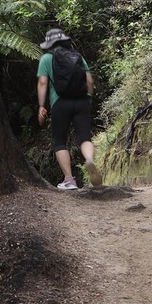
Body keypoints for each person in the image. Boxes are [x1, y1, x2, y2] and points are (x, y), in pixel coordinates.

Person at [36, 27, 103, 190]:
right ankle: (89, 159)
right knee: (84, 138)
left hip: (60, 103)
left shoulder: (46, 59)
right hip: (81, 102)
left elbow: (43, 82)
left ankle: (69, 180)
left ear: (50, 44)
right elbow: (89, 81)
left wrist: (41, 106)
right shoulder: (78, 56)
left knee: (59, 141)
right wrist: (88, 99)